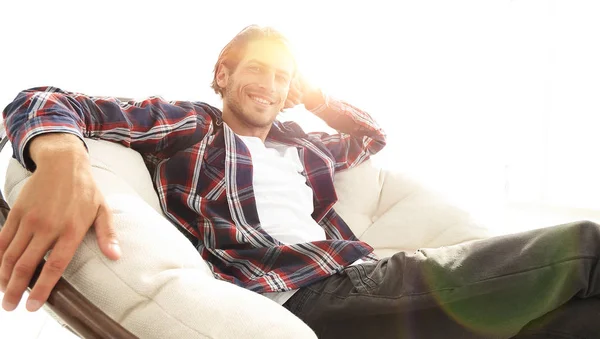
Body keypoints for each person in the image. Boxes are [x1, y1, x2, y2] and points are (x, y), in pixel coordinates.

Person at [1, 25, 599, 339]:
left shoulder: (301, 144)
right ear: (223, 74)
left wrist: (311, 94)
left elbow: (371, 137)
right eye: (254, 69)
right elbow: (44, 99)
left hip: (361, 279)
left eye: (280, 76)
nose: (267, 84)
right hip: (304, 295)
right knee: (588, 248)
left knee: (580, 321)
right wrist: (60, 161)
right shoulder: (190, 123)